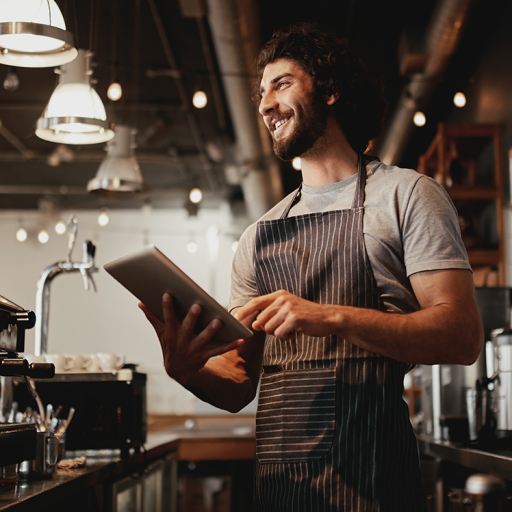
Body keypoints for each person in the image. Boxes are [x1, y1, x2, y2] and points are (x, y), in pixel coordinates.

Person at [140, 22, 484, 512]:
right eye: (261, 92)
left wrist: (329, 316)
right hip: (283, 494)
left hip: (377, 487)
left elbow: (463, 336)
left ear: (330, 91)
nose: (263, 105)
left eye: (281, 83)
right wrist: (187, 370)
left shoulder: (406, 195)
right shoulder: (257, 237)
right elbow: (240, 382)